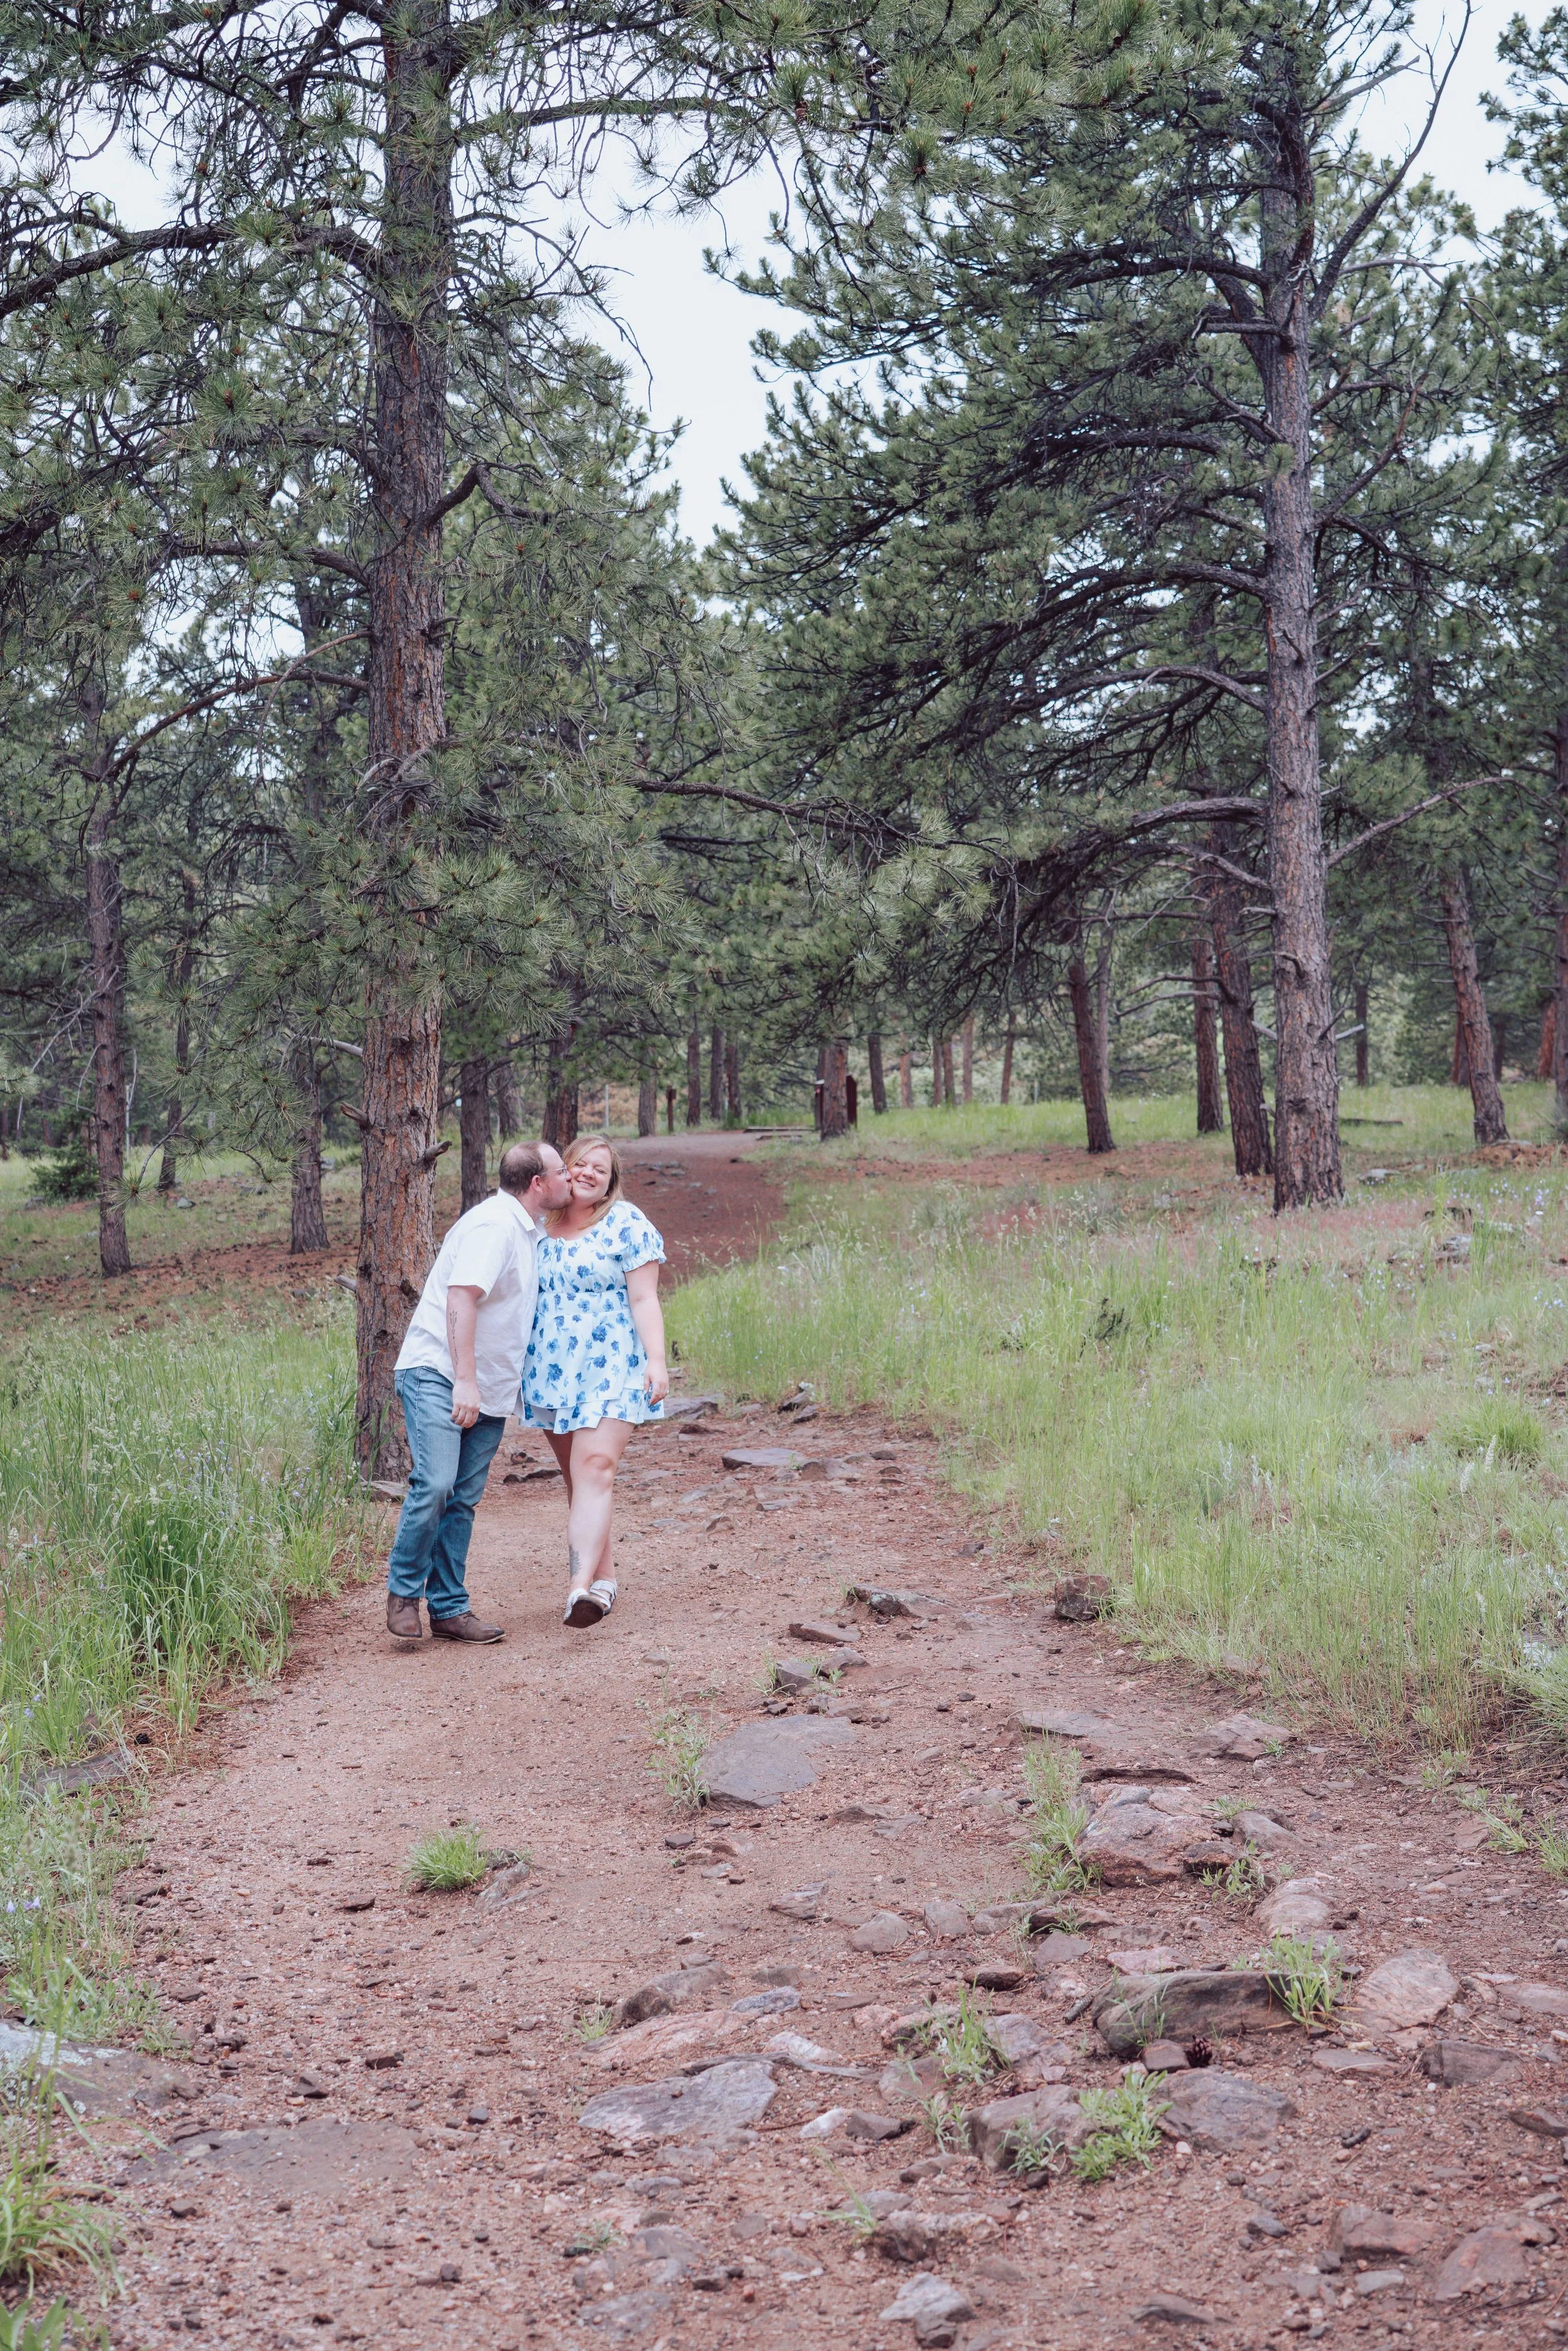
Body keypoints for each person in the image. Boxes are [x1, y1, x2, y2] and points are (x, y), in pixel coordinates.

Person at [384, 1138, 571, 1645]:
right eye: (562, 1172)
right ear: (538, 1183)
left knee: (462, 1499)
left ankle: (448, 1608)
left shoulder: (526, 1231)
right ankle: (403, 1593)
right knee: (438, 1482)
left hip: (488, 1386)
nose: (569, 1179)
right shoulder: (494, 1226)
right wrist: (464, 1379)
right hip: (441, 1374)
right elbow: (461, 1298)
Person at [522, 1135, 669, 1625]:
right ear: (563, 1170)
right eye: (579, 1164)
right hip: (551, 1369)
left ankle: (578, 1588)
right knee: (579, 1478)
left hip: (611, 1363)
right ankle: (602, 1582)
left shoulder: (626, 1223)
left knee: (596, 1466)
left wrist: (657, 1361)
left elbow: (645, 1299)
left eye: (599, 1170)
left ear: (611, 1183)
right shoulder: (539, 1228)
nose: (587, 1173)